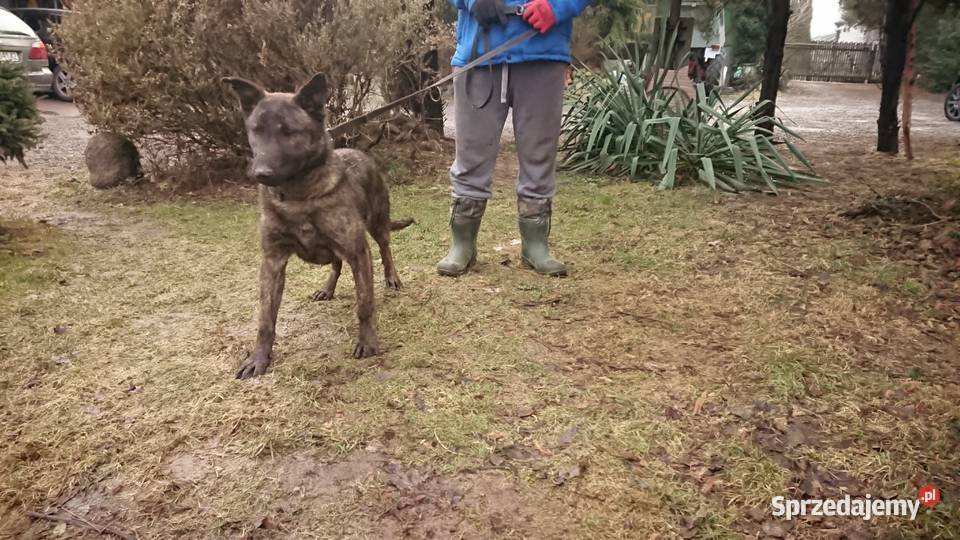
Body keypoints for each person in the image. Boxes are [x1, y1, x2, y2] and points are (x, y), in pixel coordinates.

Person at [437, 0, 592, 278]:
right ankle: (463, 244)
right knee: (471, 155)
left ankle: (535, 245)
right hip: (479, 53)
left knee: (539, 155)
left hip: (543, 51)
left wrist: (558, 7)